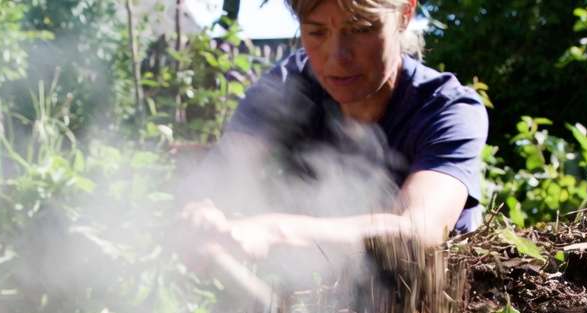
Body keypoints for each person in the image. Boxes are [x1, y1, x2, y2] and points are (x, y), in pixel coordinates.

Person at [183, 0, 488, 267]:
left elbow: (419, 230)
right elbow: (219, 178)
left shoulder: (447, 111)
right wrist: (202, 211)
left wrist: (275, 232)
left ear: (405, 13)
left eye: (361, 28)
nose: (337, 56)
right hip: (321, 305)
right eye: (316, 32)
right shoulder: (288, 88)